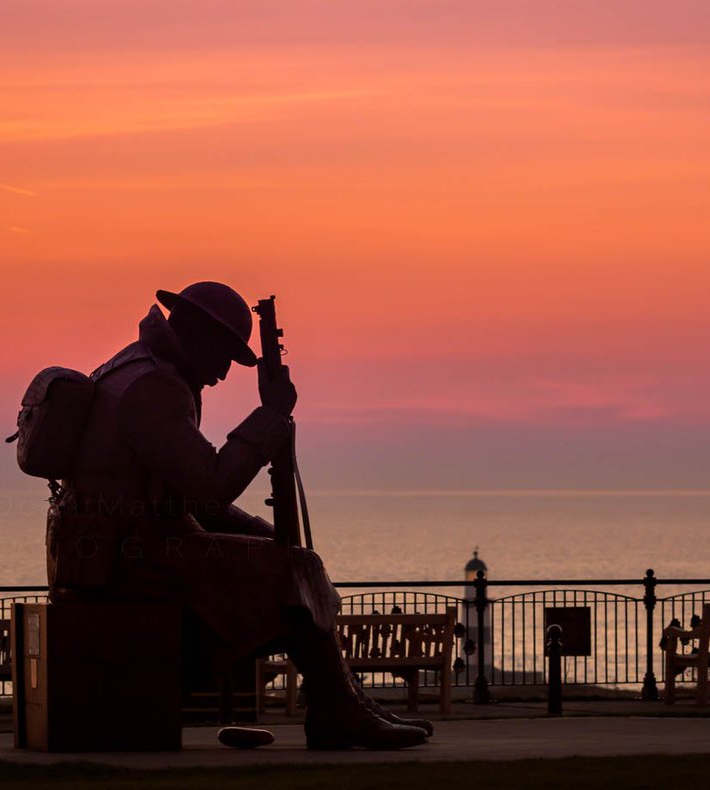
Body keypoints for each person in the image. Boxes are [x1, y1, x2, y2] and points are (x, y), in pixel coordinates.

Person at [45, 281, 430, 750]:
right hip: (133, 559)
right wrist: (270, 414)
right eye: (226, 355)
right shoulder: (154, 388)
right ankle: (338, 709)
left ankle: (341, 701)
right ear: (199, 334)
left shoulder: (135, 369)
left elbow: (181, 495)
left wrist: (265, 537)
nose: (225, 373)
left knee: (291, 559)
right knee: (298, 569)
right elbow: (210, 489)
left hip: (124, 547)